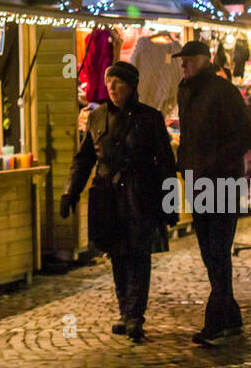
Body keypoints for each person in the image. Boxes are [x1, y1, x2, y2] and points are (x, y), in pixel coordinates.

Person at [60, 61, 178, 342]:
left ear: (132, 86)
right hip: (106, 195)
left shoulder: (149, 118)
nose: (112, 87)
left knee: (138, 254)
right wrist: (70, 192)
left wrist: (169, 204)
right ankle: (125, 311)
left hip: (139, 194)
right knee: (117, 253)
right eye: (109, 81)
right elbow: (84, 158)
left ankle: (135, 315)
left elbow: (165, 164)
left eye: (118, 82)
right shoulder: (97, 117)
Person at [173, 40, 251, 346]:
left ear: (205, 60)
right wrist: (184, 163)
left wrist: (216, 161)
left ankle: (216, 322)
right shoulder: (185, 91)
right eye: (181, 61)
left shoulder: (223, 91)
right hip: (197, 182)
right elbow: (189, 134)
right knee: (210, 253)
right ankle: (231, 316)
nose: (183, 65)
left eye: (189, 60)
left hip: (222, 183)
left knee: (218, 251)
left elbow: (248, 134)